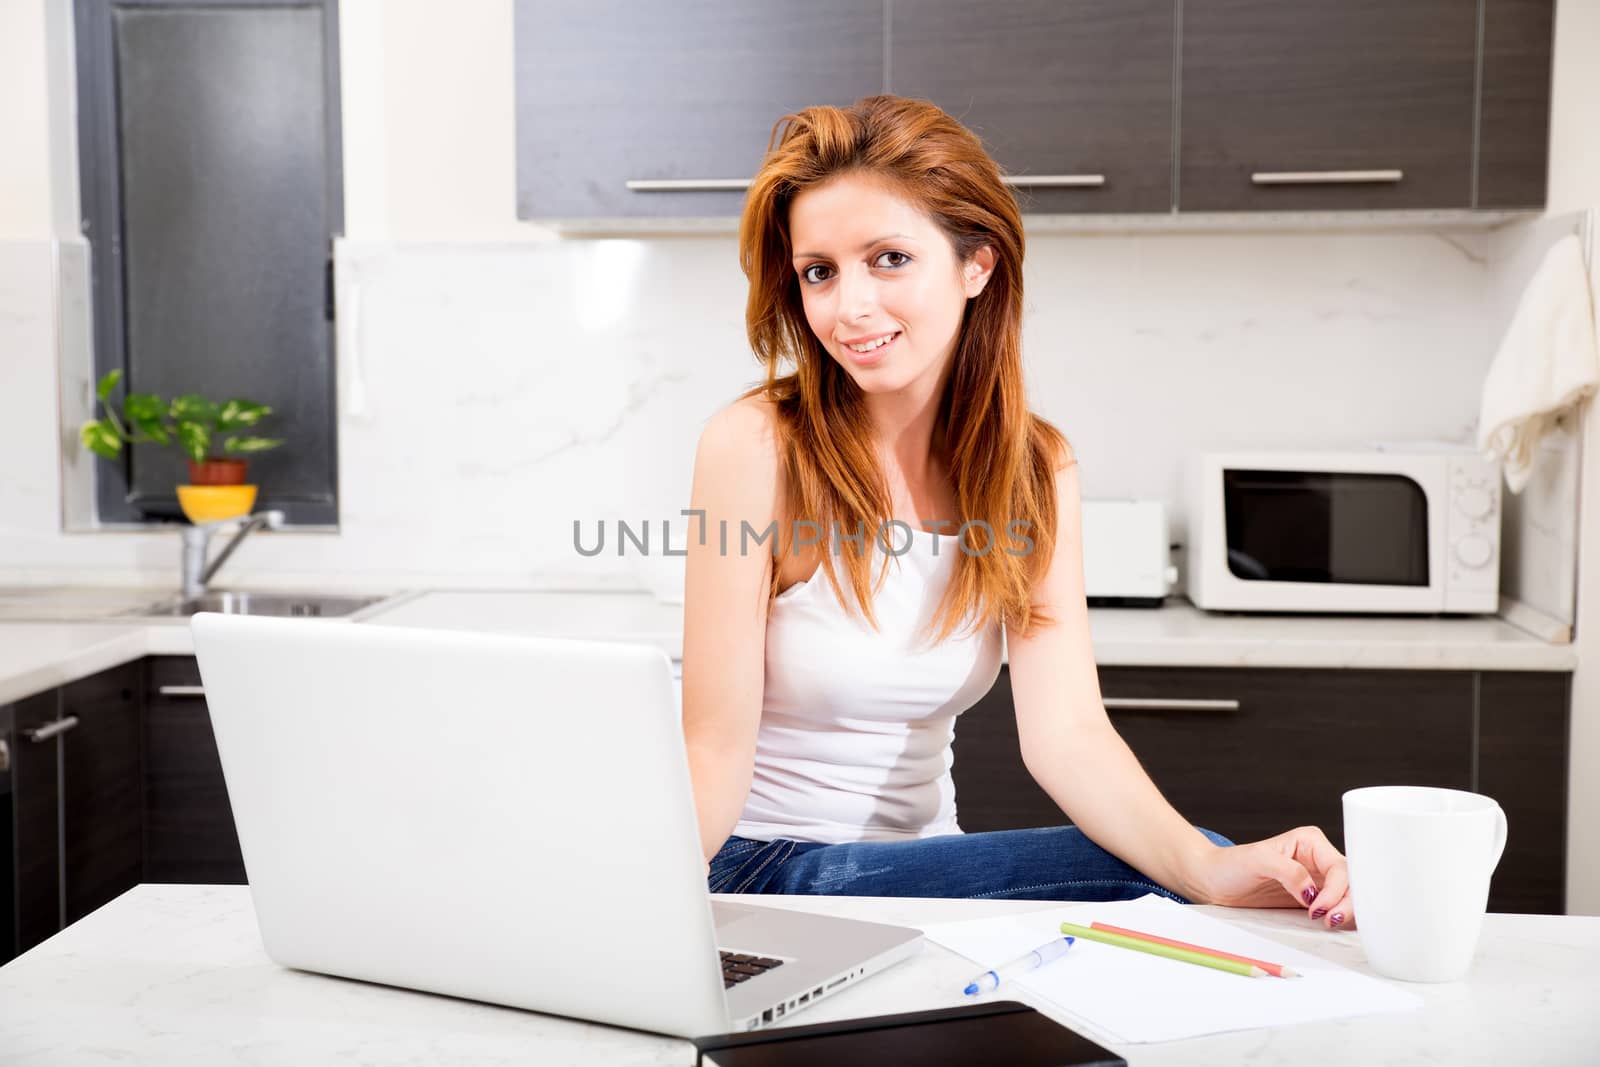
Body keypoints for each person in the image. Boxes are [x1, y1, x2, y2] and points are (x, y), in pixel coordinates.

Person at [680, 95, 1354, 929]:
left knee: (1191, 864)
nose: (848, 306)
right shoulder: (756, 445)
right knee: (1171, 872)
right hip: (764, 867)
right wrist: (649, 916)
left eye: (888, 258)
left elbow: (1067, 732)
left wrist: (1209, 867)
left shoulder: (1034, 468)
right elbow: (708, 750)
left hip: (923, 864)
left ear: (978, 265)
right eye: (819, 270)